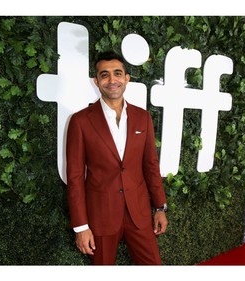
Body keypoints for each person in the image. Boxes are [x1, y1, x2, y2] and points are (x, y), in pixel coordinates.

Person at [66, 51, 168, 265]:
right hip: (101, 216)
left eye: (117, 73)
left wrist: (160, 207)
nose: (112, 80)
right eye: (105, 75)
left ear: (127, 79)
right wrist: (81, 227)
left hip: (138, 213)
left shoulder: (143, 117)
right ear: (96, 81)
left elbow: (150, 165)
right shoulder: (80, 121)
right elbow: (75, 177)